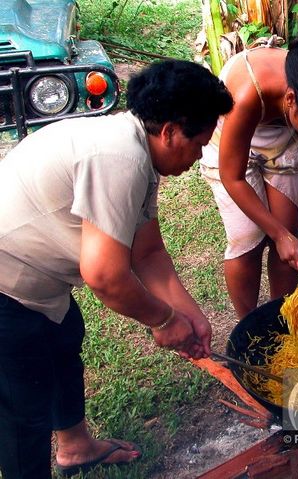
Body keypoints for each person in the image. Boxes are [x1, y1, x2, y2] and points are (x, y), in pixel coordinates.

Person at [0, 60, 233, 479]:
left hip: (37, 284)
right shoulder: (120, 158)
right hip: (7, 285)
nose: (199, 156)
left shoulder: (135, 146)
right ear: (170, 131)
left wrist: (188, 313)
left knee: (63, 342)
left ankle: (75, 447)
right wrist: (162, 320)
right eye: (198, 143)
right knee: (24, 411)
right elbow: (106, 275)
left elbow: (147, 254)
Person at [200, 28, 298, 319]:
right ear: (290, 99)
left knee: (291, 231)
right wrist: (277, 234)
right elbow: (232, 176)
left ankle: (280, 318)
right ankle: (248, 324)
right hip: (233, 134)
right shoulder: (249, 93)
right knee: (247, 237)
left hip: (286, 133)